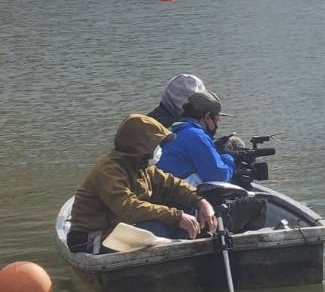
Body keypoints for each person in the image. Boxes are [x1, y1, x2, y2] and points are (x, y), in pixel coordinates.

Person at [68, 114, 217, 253]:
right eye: (153, 145)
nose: (155, 151)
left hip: (121, 229)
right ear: (139, 146)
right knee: (154, 227)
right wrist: (176, 216)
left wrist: (200, 201)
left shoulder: (142, 167)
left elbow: (173, 185)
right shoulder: (109, 171)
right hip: (91, 237)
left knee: (190, 210)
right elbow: (128, 207)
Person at [158, 91, 243, 185]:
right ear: (207, 117)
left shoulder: (174, 130)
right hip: (175, 195)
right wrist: (229, 157)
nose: (217, 125)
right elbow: (218, 176)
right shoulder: (197, 135)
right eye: (217, 120)